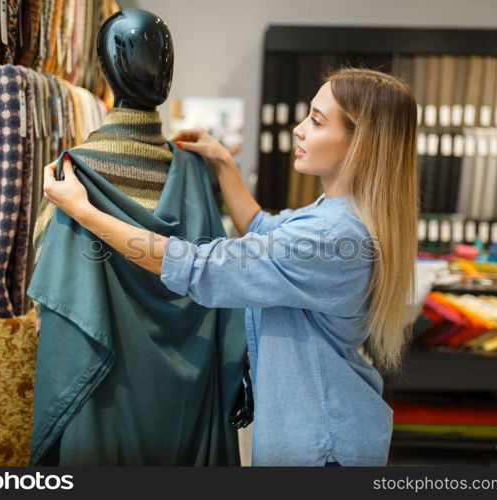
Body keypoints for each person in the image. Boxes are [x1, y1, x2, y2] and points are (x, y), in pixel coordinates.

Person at [40, 66, 419, 466]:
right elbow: (262, 228)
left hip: (321, 442)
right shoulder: (340, 215)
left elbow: (200, 266)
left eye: (317, 121)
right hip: (328, 425)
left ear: (360, 144)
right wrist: (223, 161)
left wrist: (82, 210)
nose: (299, 129)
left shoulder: (329, 234)